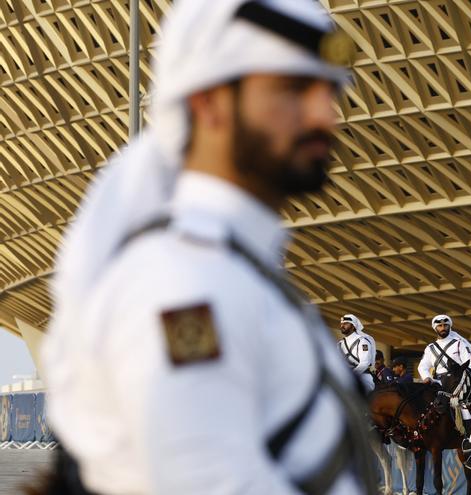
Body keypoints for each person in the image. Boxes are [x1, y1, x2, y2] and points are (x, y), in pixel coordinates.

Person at [40, 1, 377, 494]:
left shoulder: (229, 270)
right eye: (293, 89)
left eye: (330, 90)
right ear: (208, 103)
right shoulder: (184, 284)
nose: (325, 115)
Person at [417, 314, 471, 468]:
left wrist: (462, 379)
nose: (443, 328)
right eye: (440, 326)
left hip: (457, 382)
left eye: (445, 325)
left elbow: (470, 364)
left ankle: (469, 442)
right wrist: (427, 377)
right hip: (438, 382)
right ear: (435, 328)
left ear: (449, 326)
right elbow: (422, 366)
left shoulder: (458, 344)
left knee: (465, 407)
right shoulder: (430, 348)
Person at [338, 314, 377, 391]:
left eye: (346, 323)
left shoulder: (362, 341)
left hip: (363, 379)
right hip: (345, 380)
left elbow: (364, 363)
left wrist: (350, 376)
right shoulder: (340, 344)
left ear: (353, 326)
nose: (342, 326)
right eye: (341, 324)